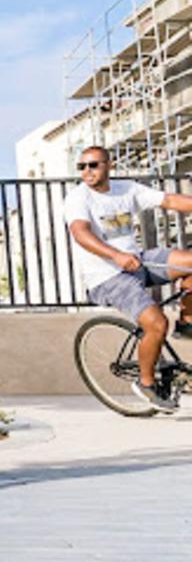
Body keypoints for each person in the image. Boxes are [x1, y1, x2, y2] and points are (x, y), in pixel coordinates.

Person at [63, 145, 192, 412]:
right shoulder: (78, 198)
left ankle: (187, 321)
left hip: (138, 262)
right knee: (156, 322)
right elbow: (80, 233)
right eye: (82, 167)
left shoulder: (127, 188)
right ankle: (145, 384)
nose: (87, 171)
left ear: (109, 166)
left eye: (94, 165)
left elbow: (168, 201)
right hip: (107, 276)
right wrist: (116, 256)